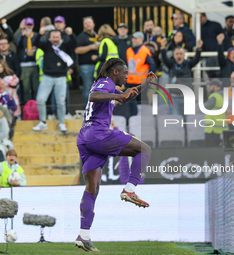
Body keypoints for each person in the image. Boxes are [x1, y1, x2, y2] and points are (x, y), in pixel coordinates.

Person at [75, 58, 156, 252]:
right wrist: (118, 96)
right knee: (144, 149)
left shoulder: (109, 86)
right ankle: (129, 188)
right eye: (125, 73)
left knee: (92, 188)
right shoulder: (105, 83)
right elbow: (93, 95)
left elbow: (126, 97)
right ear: (115, 72)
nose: (127, 76)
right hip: (98, 134)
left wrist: (145, 84)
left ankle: (83, 235)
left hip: (85, 137)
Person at [32, 29, 74, 132]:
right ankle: (42, 122)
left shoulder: (65, 46)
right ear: (50, 38)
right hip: (47, 77)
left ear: (60, 37)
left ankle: (61, 123)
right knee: (40, 100)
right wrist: (40, 33)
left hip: (61, 78)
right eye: (53, 37)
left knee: (60, 102)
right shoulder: (47, 45)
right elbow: (36, 43)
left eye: (57, 37)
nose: (55, 39)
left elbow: (73, 44)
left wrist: (69, 34)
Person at [160, 38, 203, 115]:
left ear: (184, 55)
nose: (179, 55)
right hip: (174, 98)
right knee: (176, 119)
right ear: (174, 56)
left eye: (180, 54)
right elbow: (165, 59)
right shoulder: (171, 65)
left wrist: (199, 48)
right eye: (177, 54)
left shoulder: (188, 64)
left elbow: (196, 59)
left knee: (189, 120)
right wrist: (163, 47)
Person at [126, 32, 156, 116]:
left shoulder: (144, 50)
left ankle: (145, 119)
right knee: (132, 103)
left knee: (143, 102)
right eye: (133, 38)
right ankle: (133, 119)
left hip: (141, 82)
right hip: (130, 82)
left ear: (141, 39)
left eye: (136, 38)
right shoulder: (129, 51)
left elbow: (152, 64)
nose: (134, 39)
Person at [75, 16, 99, 105]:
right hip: (86, 66)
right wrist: (91, 47)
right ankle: (87, 109)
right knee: (88, 88)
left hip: (98, 66)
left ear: (93, 24)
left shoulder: (98, 35)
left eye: (89, 22)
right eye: (86, 23)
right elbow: (77, 50)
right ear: (83, 26)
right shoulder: (81, 36)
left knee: (98, 89)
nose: (88, 24)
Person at [16, 17, 39, 104]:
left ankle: (36, 106)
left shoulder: (36, 35)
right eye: (27, 25)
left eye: (30, 25)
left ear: (33, 25)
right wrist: (22, 35)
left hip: (34, 63)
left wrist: (35, 49)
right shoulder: (20, 36)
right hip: (24, 65)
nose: (29, 27)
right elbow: (18, 46)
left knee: (35, 87)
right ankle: (27, 107)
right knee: (26, 88)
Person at [203, 79, 227, 147]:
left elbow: (205, 107)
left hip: (212, 129)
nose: (209, 87)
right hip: (219, 127)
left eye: (210, 86)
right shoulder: (222, 96)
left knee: (210, 150)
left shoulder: (215, 96)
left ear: (216, 87)